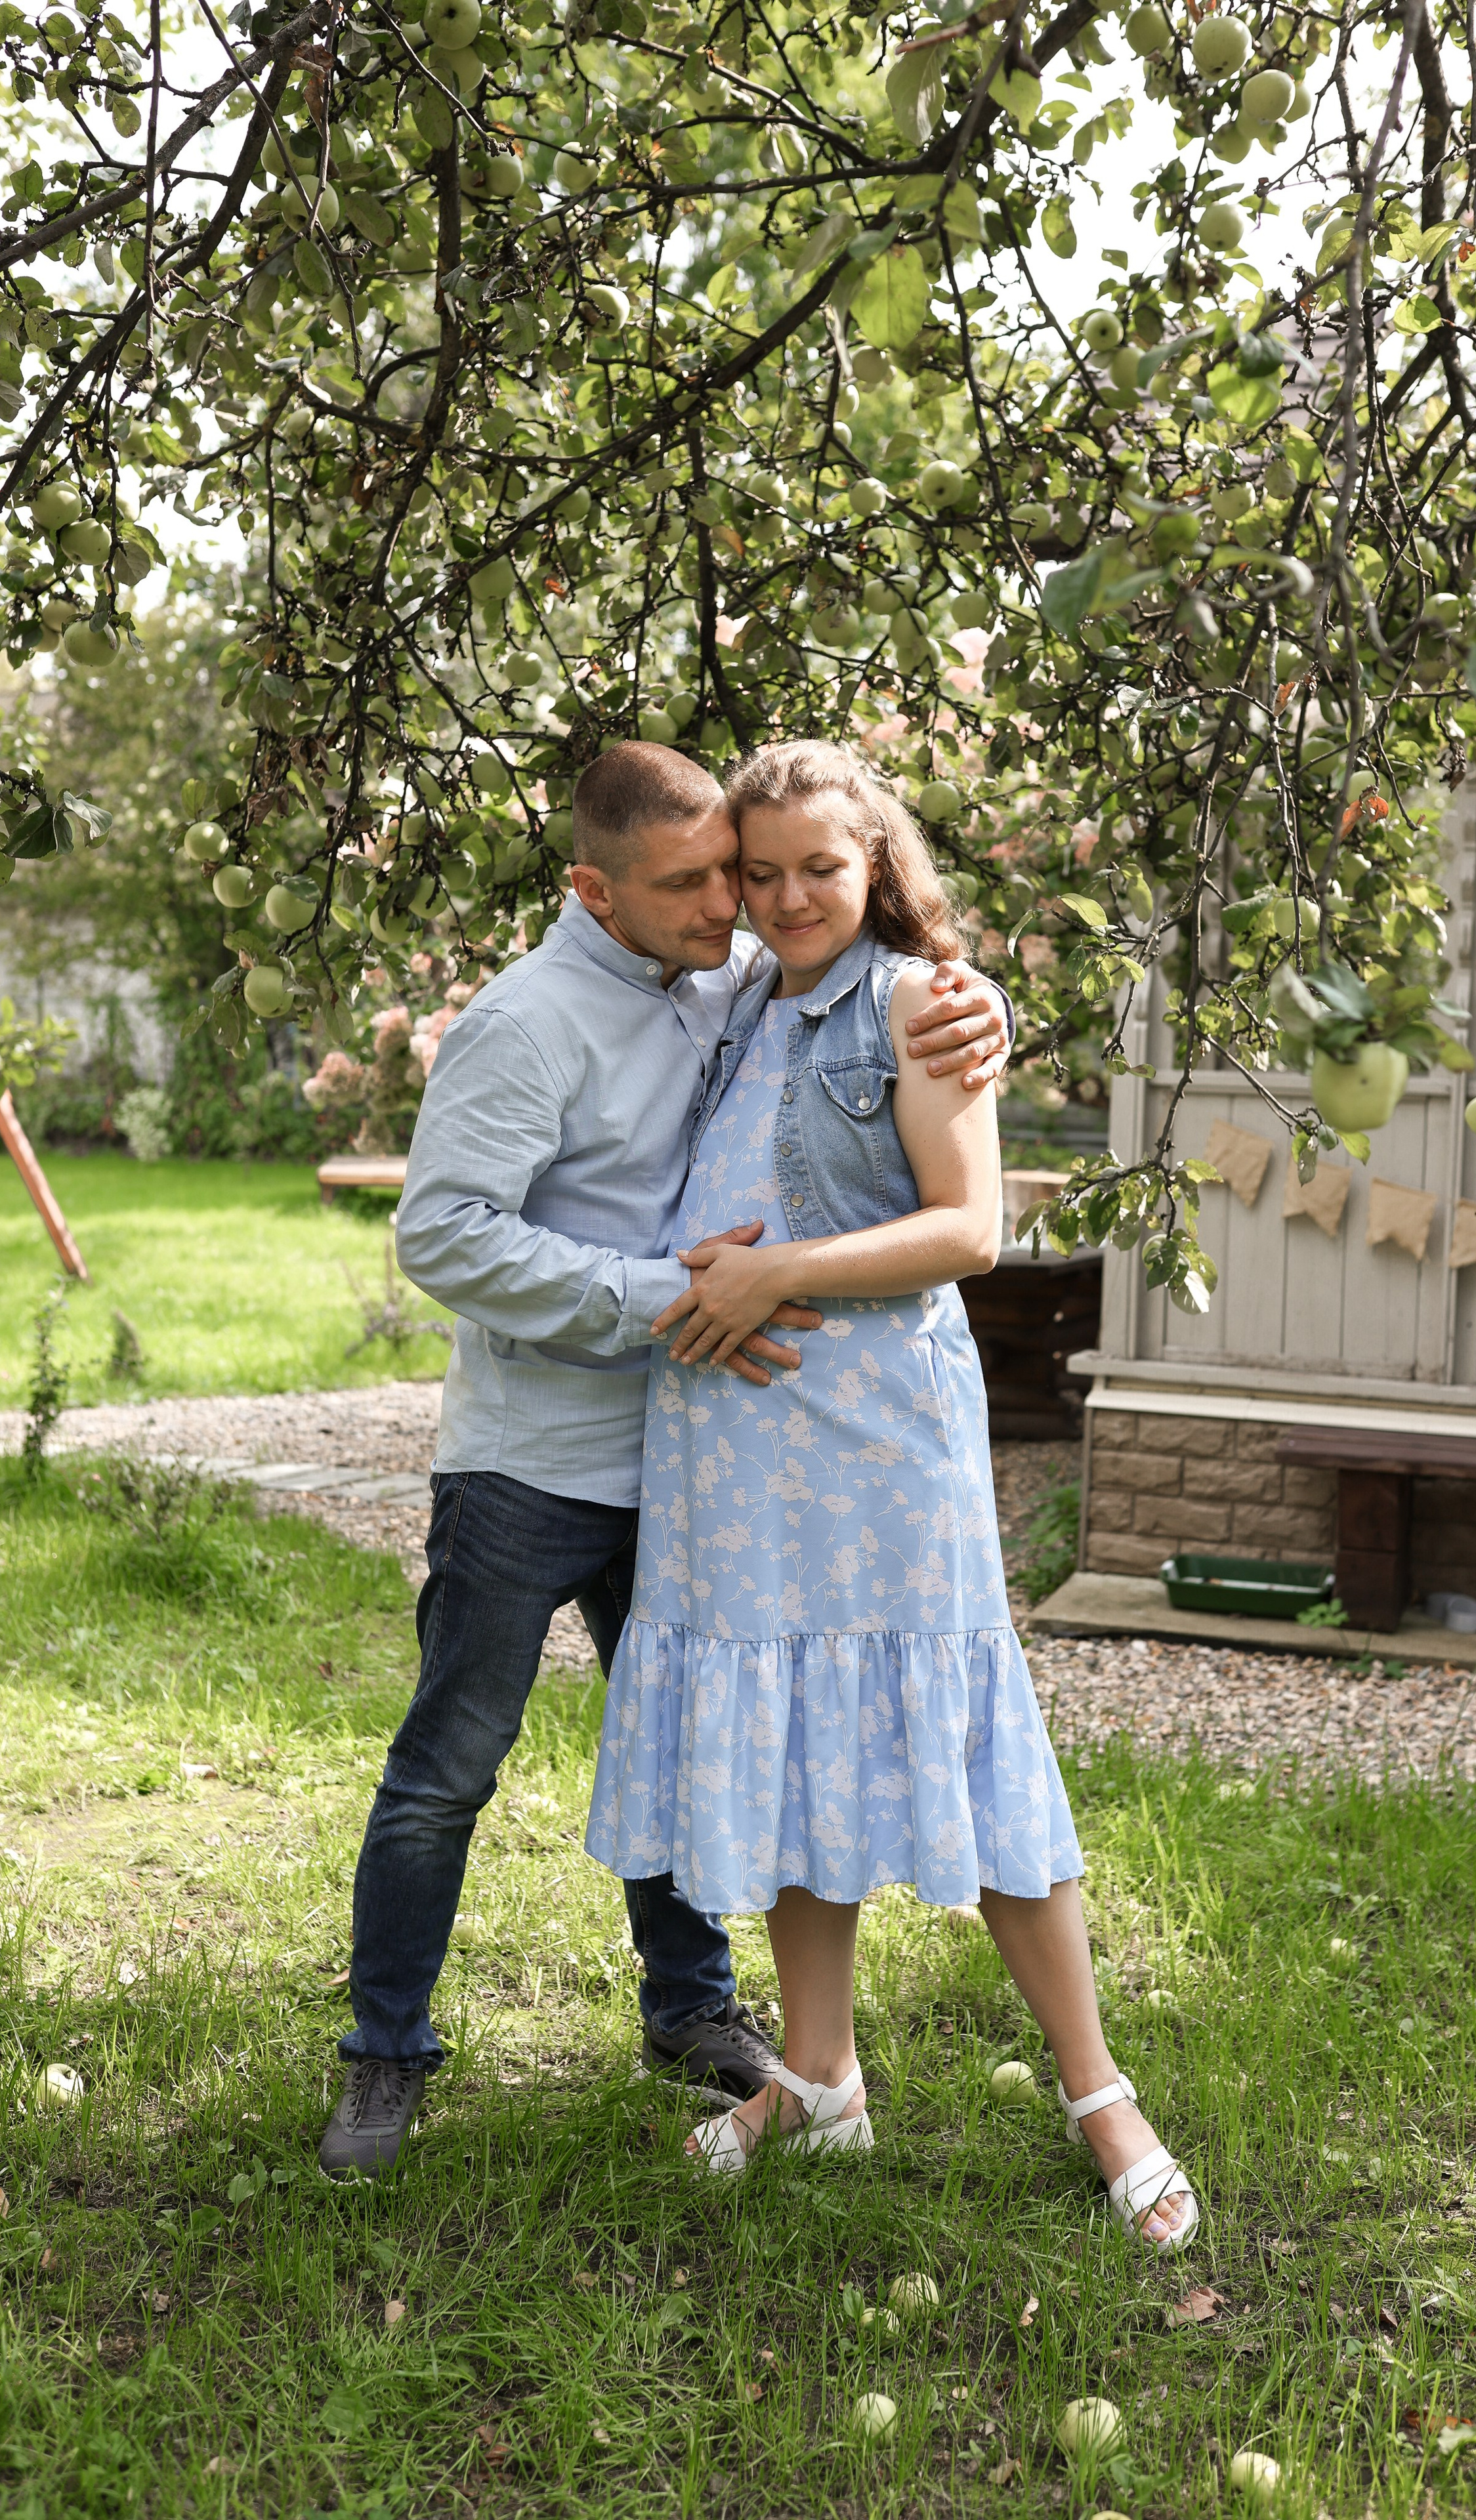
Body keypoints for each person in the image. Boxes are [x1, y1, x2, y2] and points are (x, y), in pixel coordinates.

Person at [317, 742, 1013, 2179]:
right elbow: (443, 1236)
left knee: (690, 1747)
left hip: (696, 1460)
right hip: (534, 1461)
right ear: (596, 888)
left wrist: (972, 1004)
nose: (730, 907)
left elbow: (865, 998)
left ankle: (692, 2012)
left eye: (737, 875)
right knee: (448, 1767)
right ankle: (385, 2056)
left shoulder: (727, 974)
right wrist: (672, 1299)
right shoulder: (525, 1023)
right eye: (692, 883)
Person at [586, 740, 1198, 2252]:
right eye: (762, 869)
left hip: (875, 1444)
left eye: (820, 866)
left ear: (875, 870)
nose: (788, 895)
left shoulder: (919, 1006)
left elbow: (970, 1229)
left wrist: (779, 1270)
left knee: (975, 1765)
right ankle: (819, 2075)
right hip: (732, 1456)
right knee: (792, 1750)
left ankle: (1097, 2092)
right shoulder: (730, 1006)